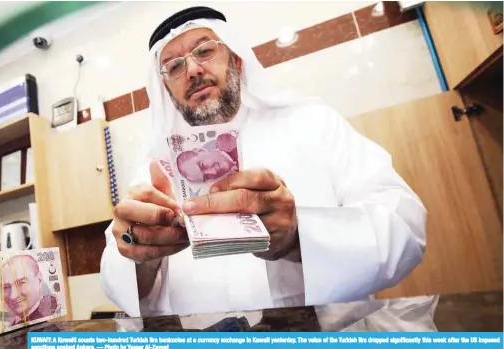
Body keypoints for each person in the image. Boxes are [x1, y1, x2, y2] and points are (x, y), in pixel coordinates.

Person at [100, 6, 427, 317]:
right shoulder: (154, 167)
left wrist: (299, 237)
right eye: (173, 66)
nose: (193, 70)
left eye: (204, 51)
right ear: (167, 90)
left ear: (238, 60)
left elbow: (404, 226)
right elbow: (122, 285)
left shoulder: (311, 123)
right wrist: (142, 258)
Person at [1, 254, 59, 326]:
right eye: (6, 287)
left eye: (21, 283)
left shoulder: (53, 316)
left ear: (39, 279)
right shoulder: (11, 325)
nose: (12, 296)